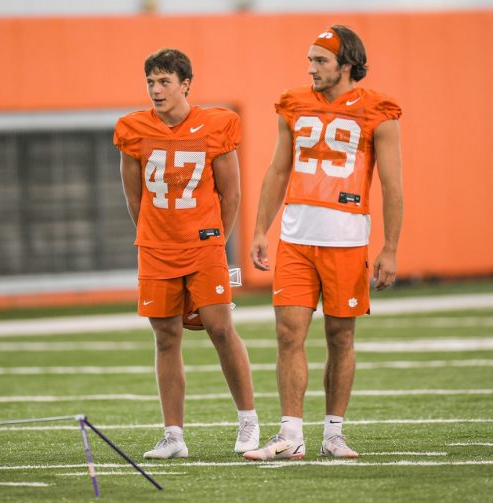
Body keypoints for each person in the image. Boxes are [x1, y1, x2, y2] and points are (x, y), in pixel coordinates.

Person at [244, 25, 403, 461]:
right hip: (296, 238)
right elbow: (278, 170)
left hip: (347, 240)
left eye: (320, 61)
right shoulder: (293, 104)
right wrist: (261, 229)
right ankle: (290, 434)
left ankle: (333, 432)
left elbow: (391, 184)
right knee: (287, 333)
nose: (310, 68)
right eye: (309, 59)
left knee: (340, 336)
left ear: (346, 66)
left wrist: (390, 247)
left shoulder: (378, 111)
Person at [114, 48, 259, 459]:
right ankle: (173, 435)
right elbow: (134, 197)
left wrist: (216, 241)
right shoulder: (133, 128)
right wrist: (155, 235)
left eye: (164, 82)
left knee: (219, 328)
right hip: (157, 248)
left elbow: (231, 193)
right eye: (150, 82)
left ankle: (248, 421)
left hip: (203, 246)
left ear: (185, 85)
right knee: (165, 337)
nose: (156, 90)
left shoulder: (217, 124)